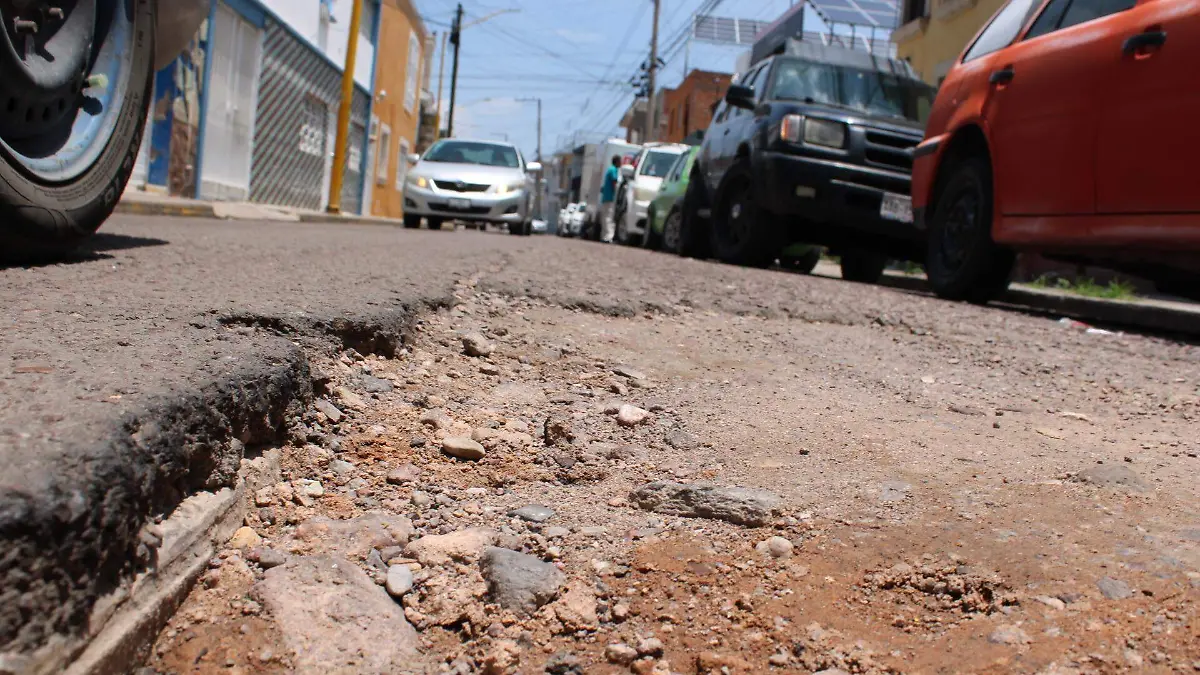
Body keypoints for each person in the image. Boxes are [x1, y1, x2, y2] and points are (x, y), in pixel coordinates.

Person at [599, 155, 621, 243]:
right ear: (617, 162)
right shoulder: (614, 170)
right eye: (620, 161)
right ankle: (609, 237)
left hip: (605, 197)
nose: (621, 163)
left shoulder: (609, 169)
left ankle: (604, 236)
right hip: (610, 197)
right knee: (609, 217)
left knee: (604, 217)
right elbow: (614, 181)